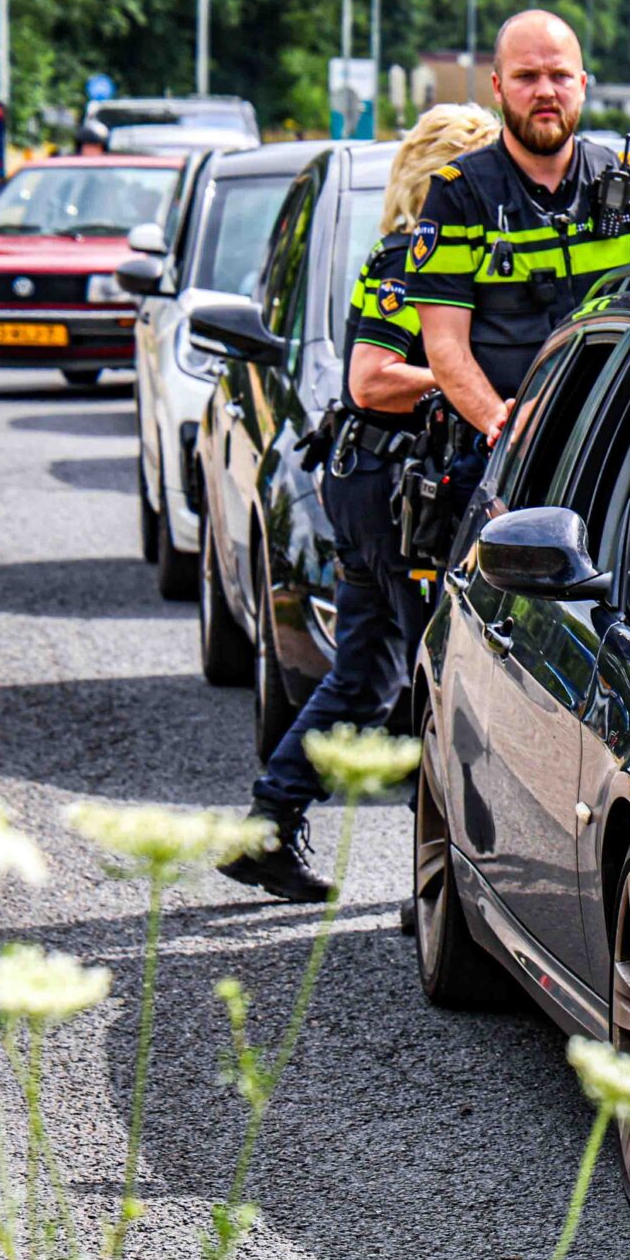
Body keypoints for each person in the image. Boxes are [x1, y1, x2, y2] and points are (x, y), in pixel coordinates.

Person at [220, 104, 502, 902]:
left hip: (370, 482)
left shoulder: (429, 252)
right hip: (392, 493)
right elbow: (371, 378)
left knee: (365, 675)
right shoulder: (412, 255)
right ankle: (440, 893)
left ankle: (266, 830)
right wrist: (474, 386)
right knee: (437, 687)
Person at [404, 9, 630, 447]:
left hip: (618, 449)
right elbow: (445, 345)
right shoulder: (458, 196)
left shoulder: (629, 180)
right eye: (526, 76)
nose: (545, 91)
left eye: (560, 77)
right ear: (497, 86)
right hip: (503, 458)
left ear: (581, 87)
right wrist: (502, 427)